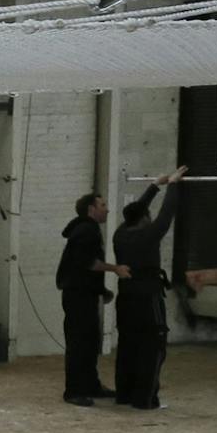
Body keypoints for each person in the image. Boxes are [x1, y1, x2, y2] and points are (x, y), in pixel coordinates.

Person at [112, 167, 187, 411]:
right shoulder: (149, 234)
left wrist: (155, 185)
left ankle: (124, 394)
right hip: (148, 298)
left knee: (128, 346)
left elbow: (136, 212)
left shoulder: (120, 234)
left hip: (126, 299)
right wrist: (173, 184)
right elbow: (167, 214)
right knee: (153, 346)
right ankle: (145, 400)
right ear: (145, 218)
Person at [56, 192, 128, 406]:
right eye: (102, 205)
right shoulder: (87, 230)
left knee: (89, 342)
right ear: (91, 209)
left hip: (83, 294)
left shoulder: (85, 229)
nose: (106, 209)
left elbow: (83, 268)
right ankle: (74, 391)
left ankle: (90, 385)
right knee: (79, 343)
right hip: (78, 296)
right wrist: (115, 268)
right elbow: (89, 263)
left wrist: (100, 289)